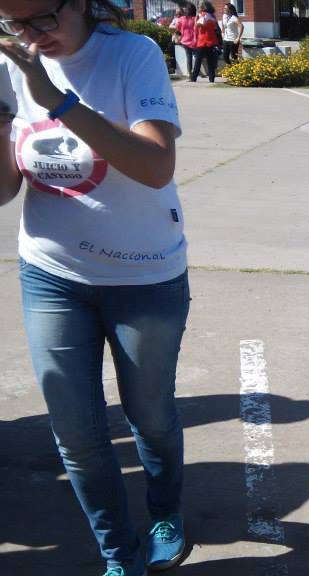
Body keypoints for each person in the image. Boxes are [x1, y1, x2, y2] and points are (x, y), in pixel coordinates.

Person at [0, 1, 189, 575]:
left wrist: (55, 100)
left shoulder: (133, 55)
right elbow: (5, 191)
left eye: (42, 18)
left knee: (150, 416)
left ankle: (164, 512)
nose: (31, 37)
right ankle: (118, 555)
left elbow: (156, 166)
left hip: (144, 274)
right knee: (76, 432)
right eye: (13, 23)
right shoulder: (9, 65)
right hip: (51, 274)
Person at [191, 1, 218, 83]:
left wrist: (196, 21)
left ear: (203, 8)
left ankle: (194, 77)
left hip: (202, 40)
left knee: (198, 60)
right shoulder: (213, 16)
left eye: (199, 7)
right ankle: (211, 78)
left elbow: (199, 25)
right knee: (210, 61)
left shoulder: (202, 15)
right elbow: (215, 27)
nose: (198, 9)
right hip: (211, 40)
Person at [174, 3, 198, 77]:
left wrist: (178, 37)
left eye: (186, 9)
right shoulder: (195, 19)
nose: (185, 10)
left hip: (187, 41)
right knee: (195, 57)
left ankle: (191, 74)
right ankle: (193, 72)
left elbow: (177, 29)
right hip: (193, 41)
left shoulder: (182, 19)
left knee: (189, 57)